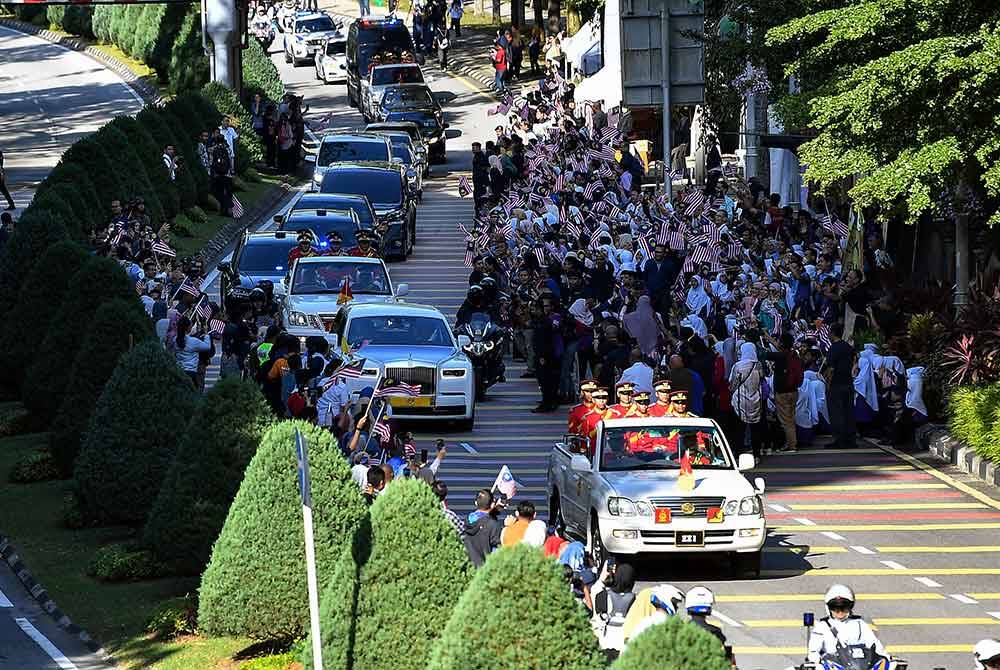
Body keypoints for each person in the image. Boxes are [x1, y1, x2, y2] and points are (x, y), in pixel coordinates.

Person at [807, 584, 888, 666]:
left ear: (850, 606)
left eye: (844, 607)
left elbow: (875, 645)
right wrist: (815, 663)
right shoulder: (822, 626)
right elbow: (813, 651)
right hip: (832, 667)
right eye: (835, 607)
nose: (840, 612)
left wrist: (887, 658)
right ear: (828, 607)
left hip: (862, 666)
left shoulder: (860, 623)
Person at [764, 332, 802, 452]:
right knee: (790, 418)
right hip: (794, 391)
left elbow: (764, 354)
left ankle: (791, 445)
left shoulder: (780, 356)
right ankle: (791, 442)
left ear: (782, 343)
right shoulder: (793, 354)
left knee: (785, 420)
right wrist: (768, 338)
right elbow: (779, 348)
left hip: (782, 392)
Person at [729, 341, 765, 458]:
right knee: (756, 429)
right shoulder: (758, 365)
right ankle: (756, 454)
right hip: (755, 400)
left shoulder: (738, 366)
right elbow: (762, 379)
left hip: (740, 400)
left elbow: (732, 382)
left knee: (739, 429)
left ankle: (738, 453)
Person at [823, 324, 857, 449]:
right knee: (848, 411)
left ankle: (839, 439)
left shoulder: (833, 348)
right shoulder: (848, 347)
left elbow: (831, 369)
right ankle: (850, 439)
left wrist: (828, 383)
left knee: (837, 412)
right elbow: (854, 360)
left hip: (836, 383)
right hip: (848, 382)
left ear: (832, 333)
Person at [593, 561, 637, 655]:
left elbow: (597, 616)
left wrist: (603, 579)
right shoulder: (635, 599)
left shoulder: (603, 595)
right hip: (624, 644)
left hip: (605, 641)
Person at [462, 488, 503, 566]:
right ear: (492, 505)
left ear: (476, 503)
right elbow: (497, 550)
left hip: (469, 566)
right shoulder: (493, 524)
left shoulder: (467, 520)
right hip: (484, 568)